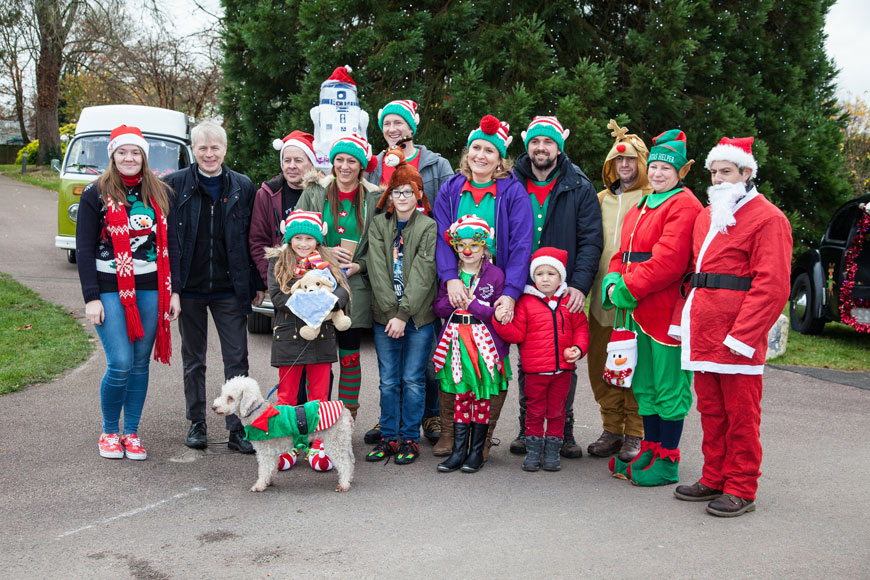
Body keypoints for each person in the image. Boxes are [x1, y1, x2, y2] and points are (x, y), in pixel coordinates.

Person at [672, 136, 792, 517]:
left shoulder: (769, 218)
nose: (719, 179)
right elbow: (694, 275)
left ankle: (741, 486)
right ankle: (714, 476)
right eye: (714, 172)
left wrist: (743, 336)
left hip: (737, 335)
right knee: (711, 410)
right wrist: (682, 322)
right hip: (703, 330)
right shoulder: (707, 215)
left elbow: (772, 285)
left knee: (741, 414)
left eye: (727, 171)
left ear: (747, 172)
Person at [601, 129, 702, 486]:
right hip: (634, 312)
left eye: (666, 168)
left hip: (663, 312)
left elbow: (669, 262)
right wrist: (612, 281)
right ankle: (651, 448)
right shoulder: (642, 203)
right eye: (655, 166)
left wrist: (626, 288)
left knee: (669, 386)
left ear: (681, 171)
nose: (658, 173)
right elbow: (620, 252)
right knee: (643, 384)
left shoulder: (684, 204)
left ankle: (668, 460)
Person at [76, 124, 181, 460]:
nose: (129, 157)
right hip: (108, 287)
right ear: (113, 155)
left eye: (135, 152)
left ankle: (132, 433)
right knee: (120, 362)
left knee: (139, 364)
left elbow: (172, 247)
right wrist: (91, 297)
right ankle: (109, 431)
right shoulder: (95, 194)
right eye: (122, 152)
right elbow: (83, 247)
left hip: (151, 286)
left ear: (144, 157)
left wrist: (173, 292)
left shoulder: (160, 193)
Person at [433, 114, 533, 462]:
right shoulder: (450, 188)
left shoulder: (512, 193)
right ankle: (450, 433)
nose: (481, 155)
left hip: (494, 287)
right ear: (467, 152)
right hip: (457, 284)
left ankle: (484, 435)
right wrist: (451, 277)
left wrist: (511, 293)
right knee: (452, 356)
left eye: (489, 150)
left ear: (500, 159)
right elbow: (441, 235)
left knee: (493, 362)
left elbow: (522, 244)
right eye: (476, 147)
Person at [164, 120, 264, 454]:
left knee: (237, 359)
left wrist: (256, 283)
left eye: (215, 147)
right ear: (193, 149)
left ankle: (238, 429)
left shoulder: (242, 186)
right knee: (194, 359)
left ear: (224, 149)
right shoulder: (174, 185)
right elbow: (165, 240)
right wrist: (171, 288)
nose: (209, 154)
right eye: (202, 148)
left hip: (228, 289)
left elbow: (252, 238)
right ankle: (197, 422)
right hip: (189, 288)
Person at [509, 116, 603, 459]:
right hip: (521, 284)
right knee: (529, 359)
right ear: (527, 145)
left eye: (548, 142)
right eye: (535, 142)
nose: (541, 148)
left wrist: (579, 285)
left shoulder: (578, 184)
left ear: (558, 147)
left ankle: (562, 429)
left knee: (565, 357)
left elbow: (591, 240)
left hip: (564, 289)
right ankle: (529, 426)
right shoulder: (510, 181)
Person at [364, 99, 453, 448]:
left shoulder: (434, 164)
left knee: (424, 361)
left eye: (399, 124)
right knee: (391, 372)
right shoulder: (375, 166)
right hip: (387, 254)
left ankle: (428, 415)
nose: (393, 130)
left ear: (412, 127)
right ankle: (393, 422)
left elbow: (448, 204)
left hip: (425, 258)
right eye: (387, 125)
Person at [297, 134, 380, 418]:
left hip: (354, 285)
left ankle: (346, 416)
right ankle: (314, 415)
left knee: (350, 354)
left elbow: (382, 245)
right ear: (332, 163)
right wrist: (323, 252)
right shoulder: (314, 192)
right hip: (316, 282)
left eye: (351, 161)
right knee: (316, 357)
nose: (345, 166)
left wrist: (362, 265)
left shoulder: (374, 197)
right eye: (339, 160)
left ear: (362, 166)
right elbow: (296, 234)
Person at [585, 120, 653, 462]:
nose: (624, 167)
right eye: (618, 161)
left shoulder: (654, 199)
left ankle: (635, 432)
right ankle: (611, 427)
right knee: (602, 363)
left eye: (630, 161)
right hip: (601, 298)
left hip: (638, 300)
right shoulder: (599, 200)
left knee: (635, 364)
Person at [365, 148, 438, 465]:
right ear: (390, 194)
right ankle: (388, 437)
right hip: (385, 317)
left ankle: (409, 438)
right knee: (389, 380)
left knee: (412, 379)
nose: (403, 196)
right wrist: (391, 314)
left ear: (419, 193)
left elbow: (424, 275)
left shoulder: (428, 227)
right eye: (397, 191)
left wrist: (404, 314)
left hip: (418, 319)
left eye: (409, 191)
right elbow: (377, 270)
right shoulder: (380, 225)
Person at [493, 247, 589, 472]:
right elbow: (516, 334)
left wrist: (578, 348)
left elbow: (581, 329)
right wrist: (500, 321)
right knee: (534, 411)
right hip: (535, 372)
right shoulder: (526, 303)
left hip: (562, 371)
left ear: (561, 277)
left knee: (557, 412)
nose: (545, 279)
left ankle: (553, 452)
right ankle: (534, 452)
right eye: (540, 274)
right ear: (533, 276)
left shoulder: (569, 304)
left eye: (551, 274)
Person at [433, 215, 511, 473]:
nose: (467, 251)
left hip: (483, 346)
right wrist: (454, 301)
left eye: (474, 246)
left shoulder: (496, 275)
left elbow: (497, 315)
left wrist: (473, 305)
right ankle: (458, 451)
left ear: (483, 247)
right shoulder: (451, 274)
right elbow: (439, 307)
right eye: (462, 245)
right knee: (461, 398)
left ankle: (475, 452)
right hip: (457, 345)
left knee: (481, 399)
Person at [266, 210, 350, 406]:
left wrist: (329, 304)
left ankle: (318, 437)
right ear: (289, 238)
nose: (303, 244)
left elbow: (343, 290)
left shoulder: (328, 262)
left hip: (322, 337)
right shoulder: (277, 262)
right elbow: (278, 297)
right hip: (288, 336)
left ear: (318, 240)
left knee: (319, 398)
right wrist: (315, 307)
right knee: (287, 396)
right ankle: (290, 437)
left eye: (309, 238)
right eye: (298, 238)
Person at [250, 130, 318, 285]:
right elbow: (258, 241)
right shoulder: (266, 195)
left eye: (298, 160)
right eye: (287, 161)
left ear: (311, 163)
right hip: (281, 280)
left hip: (318, 279)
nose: (292, 166)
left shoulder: (322, 193)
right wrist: (272, 280)